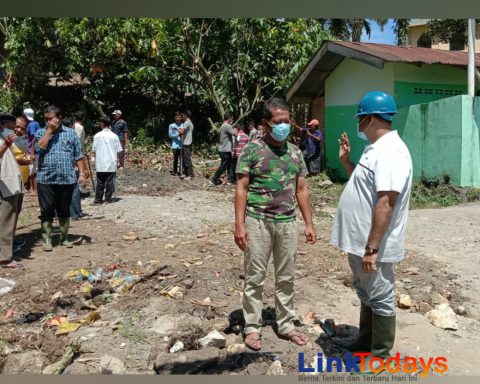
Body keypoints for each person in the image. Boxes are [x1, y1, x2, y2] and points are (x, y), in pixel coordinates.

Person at [331, 91, 413, 372]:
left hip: (373, 243)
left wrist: (373, 248)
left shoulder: (391, 152)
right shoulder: (376, 149)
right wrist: (346, 161)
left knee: (380, 295)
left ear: (370, 118)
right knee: (366, 292)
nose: (359, 125)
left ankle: (380, 356)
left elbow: (387, 202)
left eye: (360, 119)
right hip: (360, 240)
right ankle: (365, 343)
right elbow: (366, 187)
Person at [234, 98, 316, 351]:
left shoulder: (295, 152)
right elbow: (241, 188)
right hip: (258, 222)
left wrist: (309, 223)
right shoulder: (251, 150)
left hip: (287, 223)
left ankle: (286, 324)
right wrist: (239, 225)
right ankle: (252, 327)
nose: (284, 126)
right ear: (265, 124)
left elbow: (302, 190)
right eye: (278, 122)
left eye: (287, 121)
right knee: (255, 277)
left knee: (286, 277)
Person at [34, 106, 87, 251]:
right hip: (46, 178)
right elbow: (38, 149)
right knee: (46, 211)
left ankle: (64, 238)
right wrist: (49, 131)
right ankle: (47, 240)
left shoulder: (70, 134)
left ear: (59, 118)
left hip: (66, 178)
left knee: (64, 210)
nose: (49, 121)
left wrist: (82, 174)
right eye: (46, 119)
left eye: (51, 118)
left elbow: (78, 155)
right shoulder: (40, 133)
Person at [0, 114, 25, 268]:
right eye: (11, 126)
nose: (14, 129)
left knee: (9, 219)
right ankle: (4, 258)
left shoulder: (4, 138)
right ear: (3, 124)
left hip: (11, 184)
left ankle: (6, 252)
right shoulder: (4, 140)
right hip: (5, 184)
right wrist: (6, 144)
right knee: (5, 220)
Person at [92, 116, 123, 205]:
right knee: (110, 181)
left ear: (102, 123)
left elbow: (94, 150)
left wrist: (95, 159)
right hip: (111, 161)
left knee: (100, 181)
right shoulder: (114, 136)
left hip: (100, 161)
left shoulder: (97, 136)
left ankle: (98, 199)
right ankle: (108, 199)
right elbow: (119, 150)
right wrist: (119, 162)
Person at [71, 111, 89, 220]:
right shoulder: (79, 128)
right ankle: (76, 211)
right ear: (83, 119)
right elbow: (77, 142)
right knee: (77, 181)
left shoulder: (74, 127)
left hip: (77, 154)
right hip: (77, 156)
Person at [211, 112, 237, 186]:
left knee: (229, 164)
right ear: (229, 118)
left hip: (224, 149)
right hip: (225, 149)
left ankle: (230, 179)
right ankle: (215, 178)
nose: (232, 119)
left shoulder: (223, 125)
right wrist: (236, 129)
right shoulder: (227, 126)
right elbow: (235, 134)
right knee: (224, 165)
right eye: (232, 118)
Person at [24, 108, 41, 195]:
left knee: (33, 170)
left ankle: (35, 190)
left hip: (32, 150)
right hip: (35, 150)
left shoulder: (31, 125)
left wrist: (32, 151)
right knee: (33, 169)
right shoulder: (36, 123)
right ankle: (32, 188)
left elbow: (34, 137)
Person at [178, 110, 194, 180]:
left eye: (183, 115)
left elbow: (182, 132)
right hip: (187, 143)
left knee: (187, 160)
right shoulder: (190, 123)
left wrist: (177, 129)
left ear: (185, 115)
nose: (182, 117)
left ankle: (190, 175)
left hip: (186, 144)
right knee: (185, 160)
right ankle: (186, 174)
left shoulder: (186, 123)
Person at [168, 111, 184, 176]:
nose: (178, 118)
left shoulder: (183, 125)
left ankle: (181, 172)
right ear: (175, 117)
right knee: (175, 159)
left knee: (182, 159)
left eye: (179, 117)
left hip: (182, 144)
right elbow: (170, 135)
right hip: (174, 145)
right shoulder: (171, 125)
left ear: (181, 117)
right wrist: (178, 134)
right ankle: (174, 171)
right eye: (177, 117)